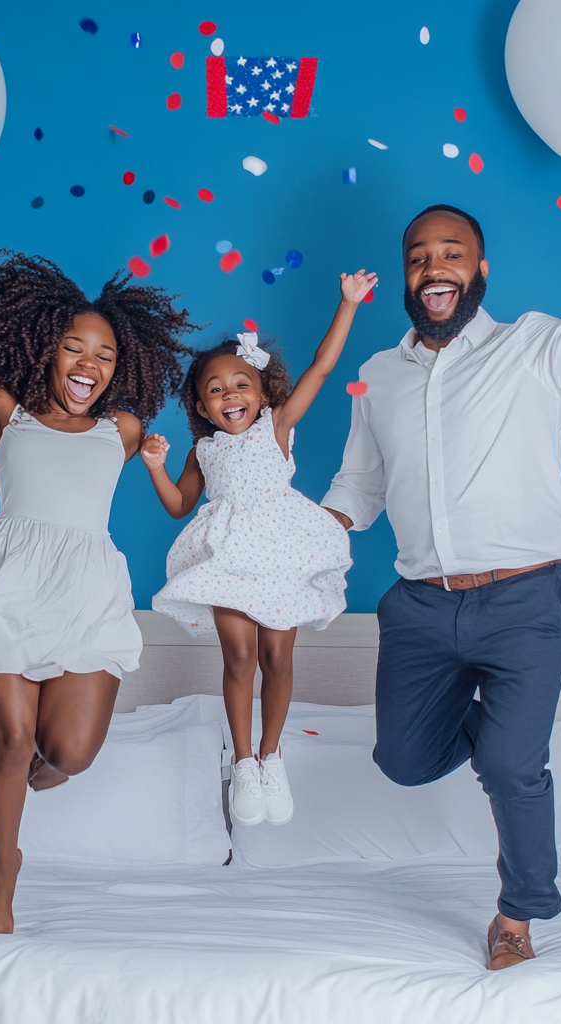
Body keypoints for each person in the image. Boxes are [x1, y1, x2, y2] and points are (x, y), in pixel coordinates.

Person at [322, 75, 561, 969]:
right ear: (406, 275)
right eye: (418, 257)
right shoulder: (377, 373)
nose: (434, 268)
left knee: (509, 765)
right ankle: (498, 729)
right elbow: (358, 488)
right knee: (404, 763)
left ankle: (521, 911)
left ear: (479, 270)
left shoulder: (534, 345)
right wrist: (294, 536)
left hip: (526, 599)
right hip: (418, 609)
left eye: (451, 253)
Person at [0, 167, 197, 934]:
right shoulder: (2, 410)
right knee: (10, 735)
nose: (90, 364)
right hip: (6, 585)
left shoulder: (120, 432)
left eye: (106, 357)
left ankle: (21, 778)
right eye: (75, 347)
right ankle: (5, 865)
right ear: (45, 346)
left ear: (120, 370)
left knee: (69, 751)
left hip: (86, 590)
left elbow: (200, 453)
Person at [142, 270, 375, 827]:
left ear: (263, 391)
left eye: (240, 384)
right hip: (227, 555)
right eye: (215, 390)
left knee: (277, 656)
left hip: (282, 549)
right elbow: (179, 505)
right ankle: (243, 760)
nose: (230, 396)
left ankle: (273, 756)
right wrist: (154, 466)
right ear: (201, 405)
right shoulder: (204, 450)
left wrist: (347, 304)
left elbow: (321, 366)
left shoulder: (278, 424)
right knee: (239, 656)